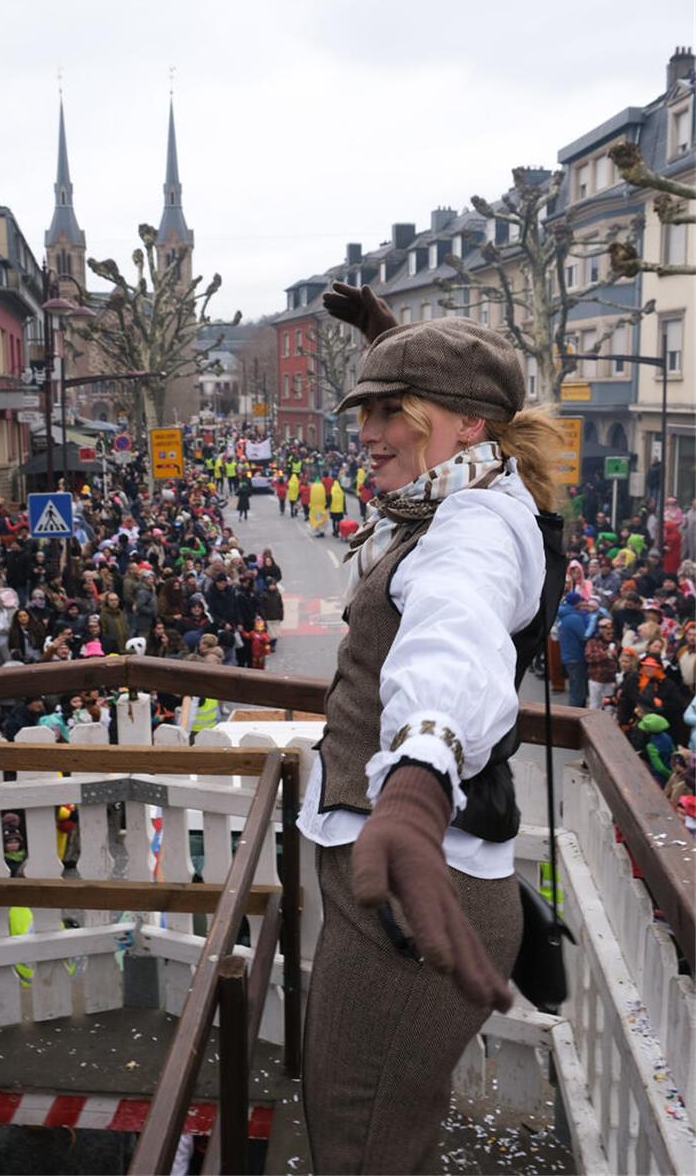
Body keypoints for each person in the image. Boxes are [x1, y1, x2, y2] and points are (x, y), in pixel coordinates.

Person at [298, 303, 564, 1174]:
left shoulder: (479, 527)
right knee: (355, 1123)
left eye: (394, 411)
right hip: (395, 889)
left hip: (419, 897)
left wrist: (413, 787)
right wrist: (393, 343)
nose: (369, 435)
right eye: (366, 411)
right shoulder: (450, 492)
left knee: (362, 1147)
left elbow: (456, 634)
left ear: (469, 424)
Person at [557, 590, 588, 707]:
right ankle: (574, 715)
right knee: (577, 690)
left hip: (567, 655)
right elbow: (584, 636)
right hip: (576, 657)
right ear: (577, 602)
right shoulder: (574, 618)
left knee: (574, 686)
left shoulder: (563, 614)